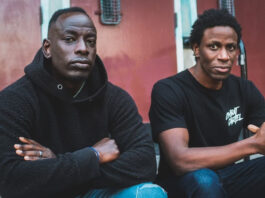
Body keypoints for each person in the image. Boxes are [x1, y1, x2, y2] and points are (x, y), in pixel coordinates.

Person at [0, 7, 167, 198]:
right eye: (70, 39)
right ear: (47, 48)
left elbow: (144, 163)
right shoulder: (15, 99)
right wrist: (93, 156)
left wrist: (60, 164)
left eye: (90, 41)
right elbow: (10, 180)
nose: (83, 48)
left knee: (149, 194)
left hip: (93, 193)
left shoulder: (115, 98)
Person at [149, 8, 265, 198]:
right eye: (214, 46)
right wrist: (253, 144)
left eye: (231, 47)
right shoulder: (169, 90)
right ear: (196, 49)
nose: (224, 56)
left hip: (227, 176)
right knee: (204, 180)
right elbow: (180, 160)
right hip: (182, 183)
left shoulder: (244, 89)